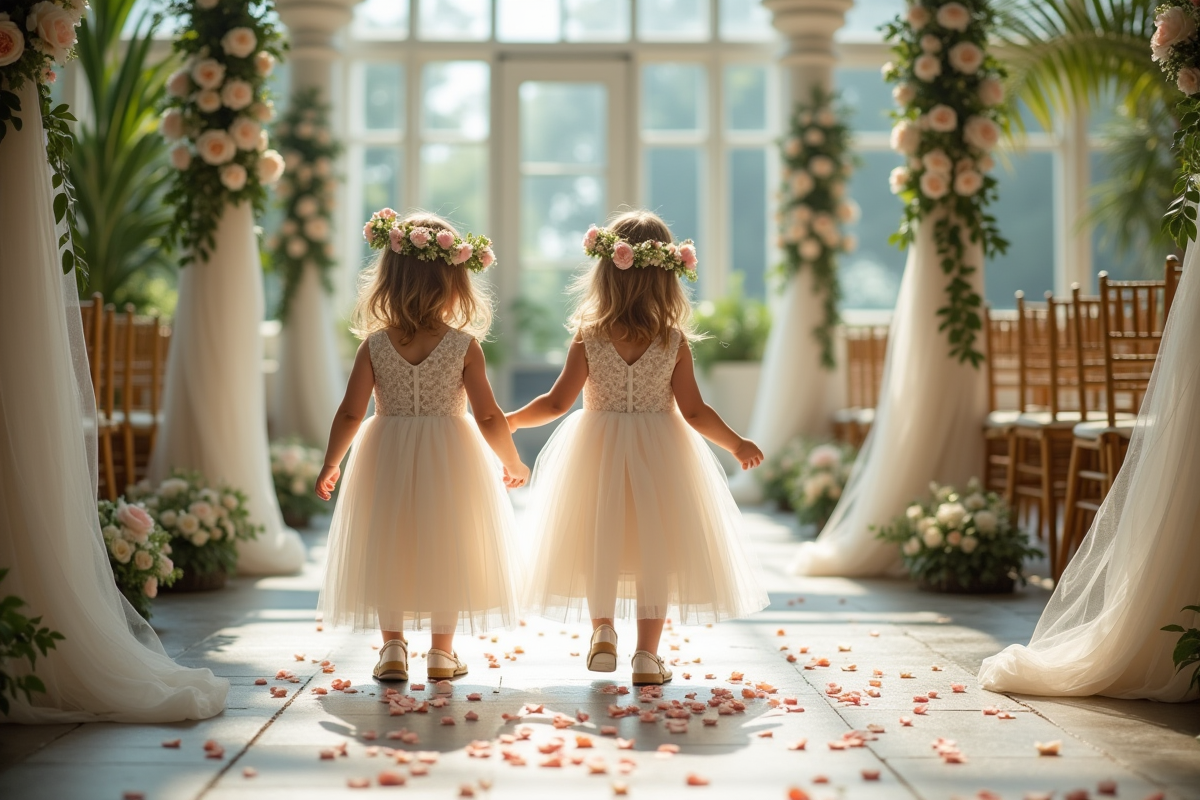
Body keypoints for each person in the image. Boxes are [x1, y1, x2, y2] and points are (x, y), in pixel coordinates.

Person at [507, 209, 770, 686]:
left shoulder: (589, 338)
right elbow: (694, 412)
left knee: (598, 540)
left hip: (596, 450)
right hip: (660, 453)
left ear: (606, 272)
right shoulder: (673, 342)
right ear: (668, 278)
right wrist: (736, 443)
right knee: (657, 552)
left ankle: (603, 631)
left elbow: (556, 402)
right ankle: (647, 657)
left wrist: (512, 421)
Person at [315, 209, 528, 682]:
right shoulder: (464, 346)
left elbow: (350, 413)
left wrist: (332, 462)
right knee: (448, 542)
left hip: (385, 451)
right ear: (454, 283)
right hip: (450, 454)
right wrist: (512, 461)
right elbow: (488, 415)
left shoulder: (374, 345)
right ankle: (440, 653)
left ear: (389, 280)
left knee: (388, 541)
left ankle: (392, 649)